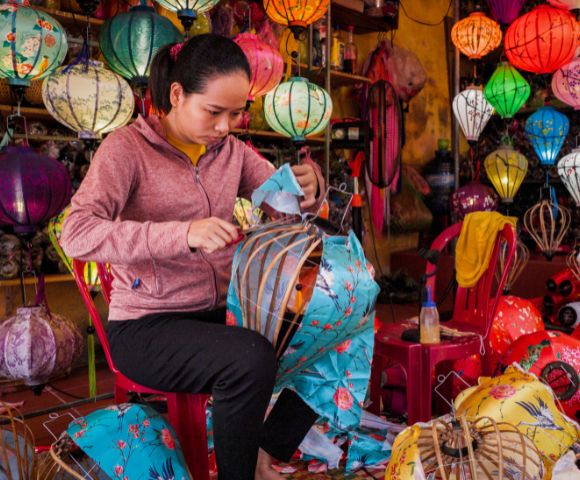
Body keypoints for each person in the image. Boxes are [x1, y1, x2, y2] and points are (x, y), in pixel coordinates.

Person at [60, 34, 326, 480]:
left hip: (221, 312)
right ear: (177, 95)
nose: (225, 126)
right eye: (214, 112)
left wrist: (310, 185)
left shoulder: (232, 152)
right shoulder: (127, 150)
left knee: (330, 323)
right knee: (250, 359)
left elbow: (286, 203)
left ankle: (264, 450)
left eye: (236, 113)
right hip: (146, 326)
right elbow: (77, 233)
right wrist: (182, 235)